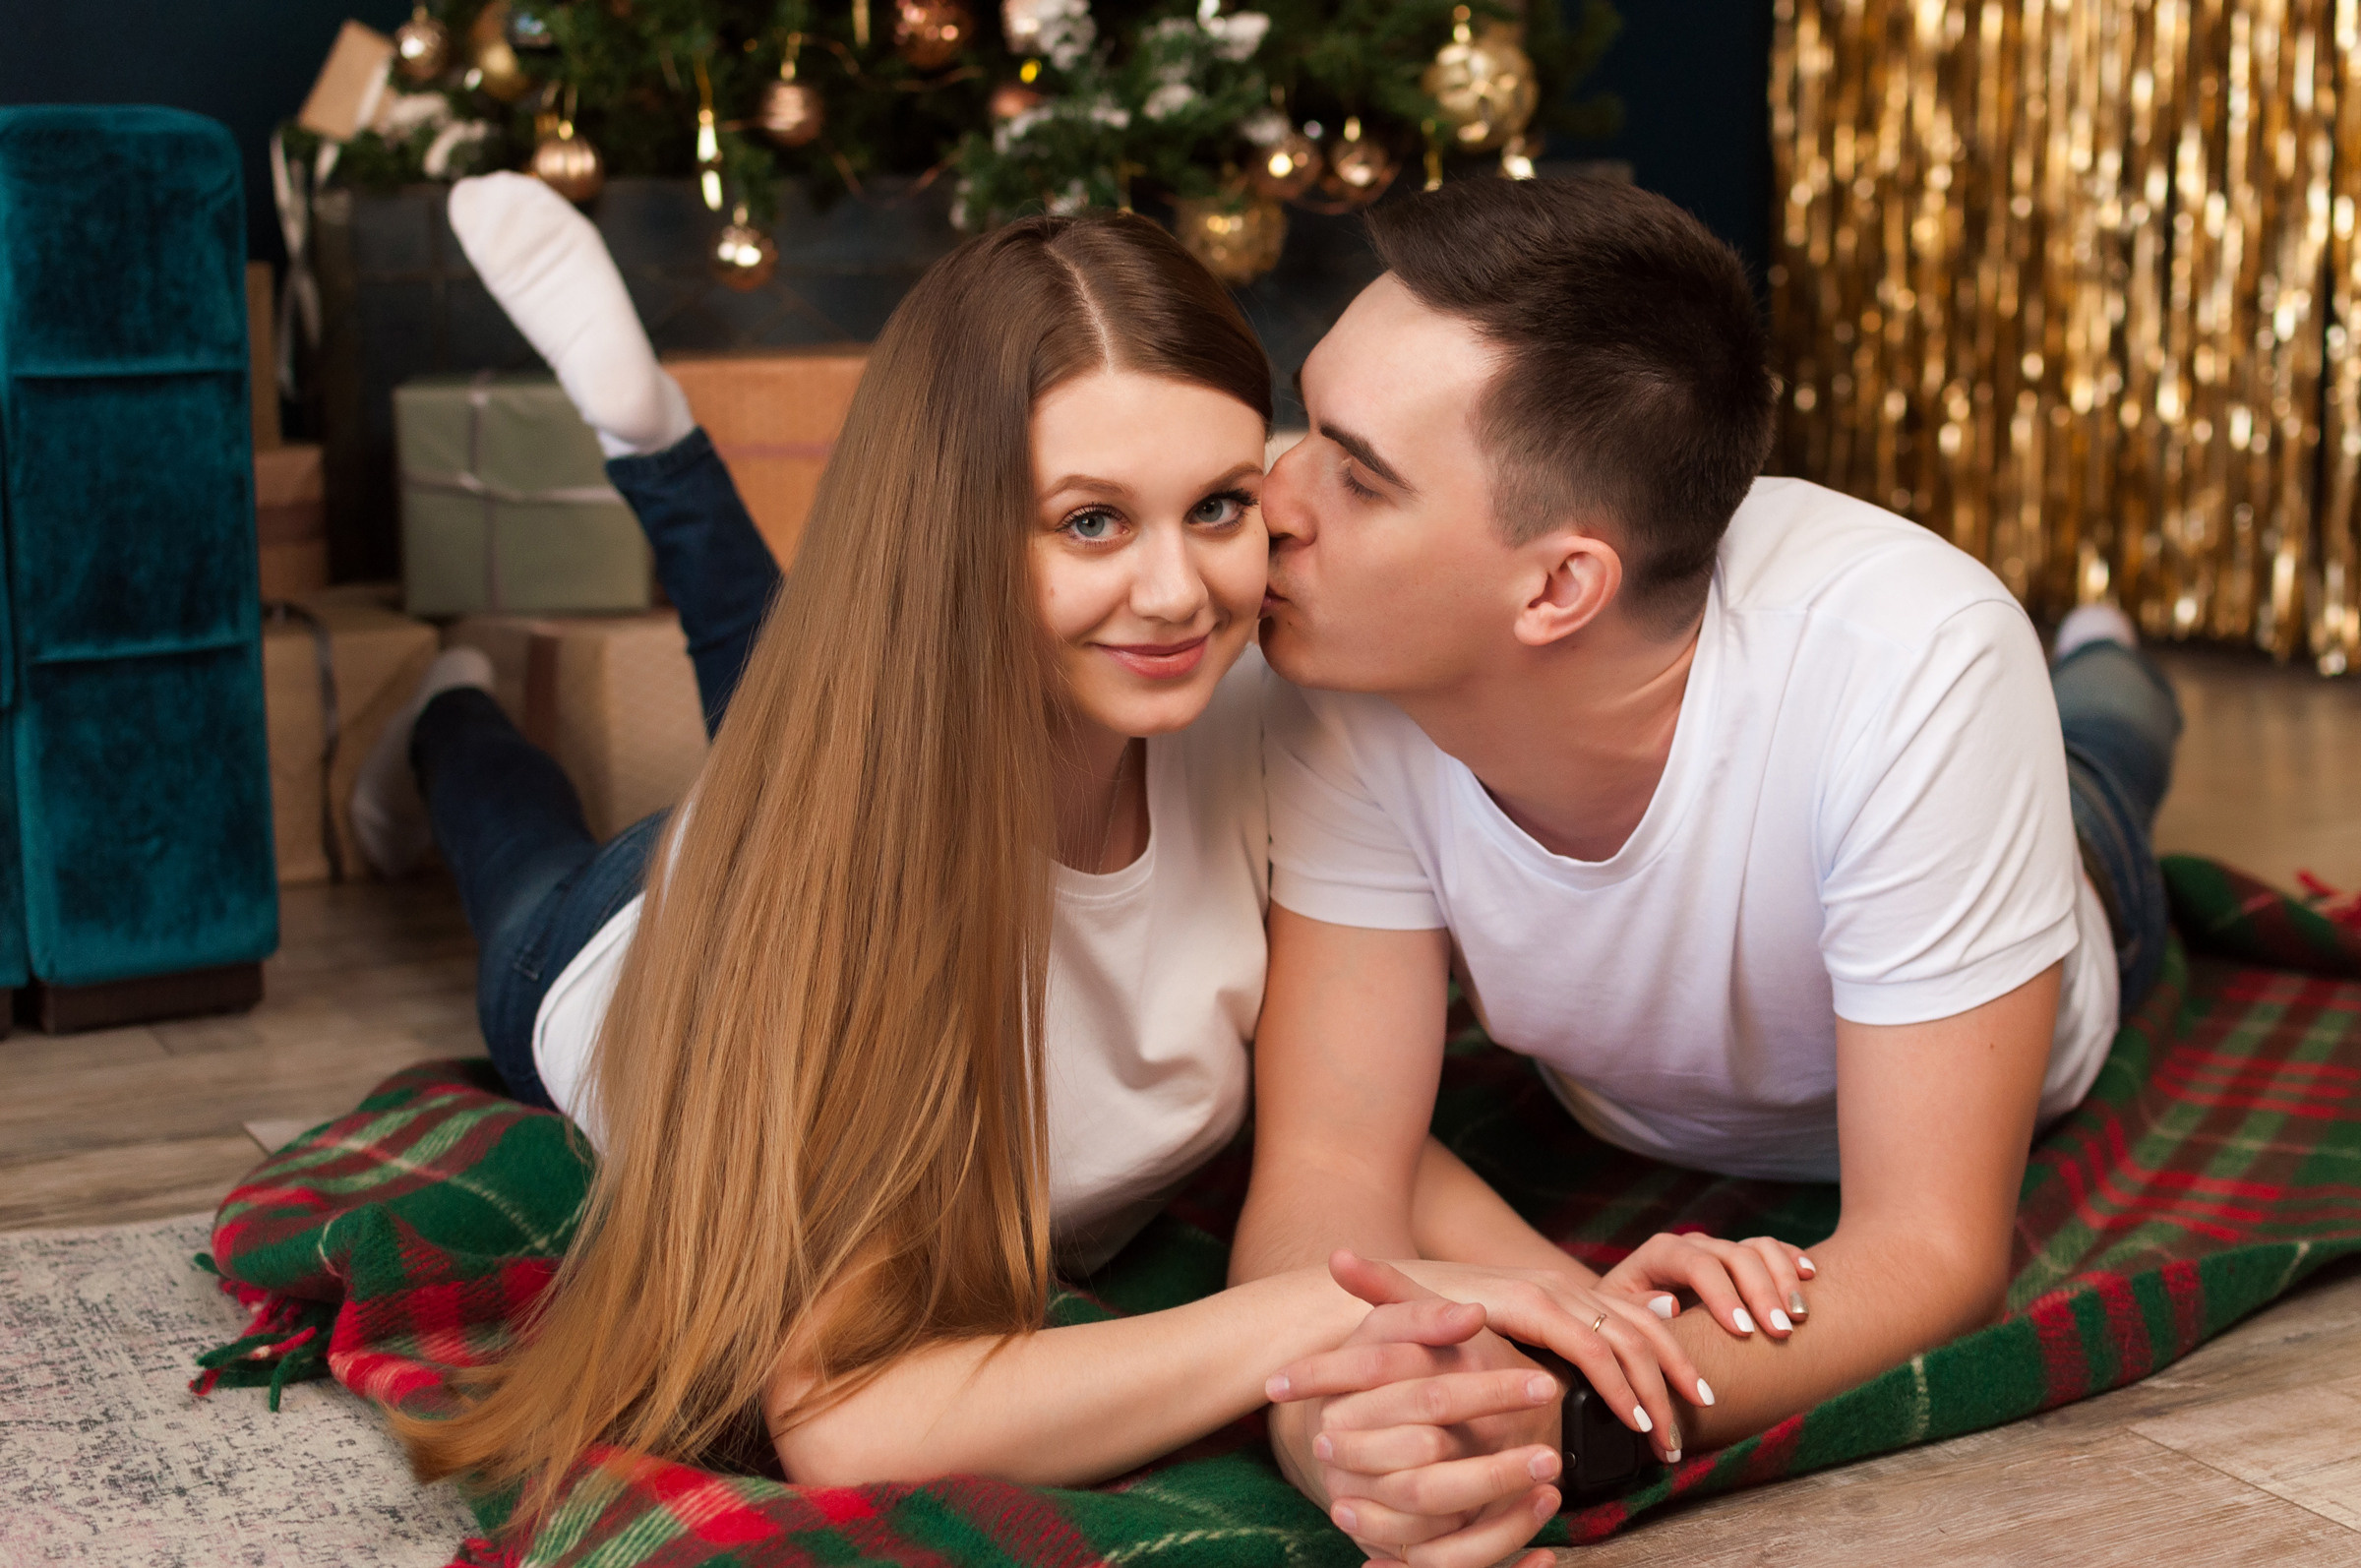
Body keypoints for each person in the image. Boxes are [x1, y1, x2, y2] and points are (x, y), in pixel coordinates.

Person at [358, 178, 1745, 1559]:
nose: (1176, 593)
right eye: (1091, 521)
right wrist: (1325, 1310)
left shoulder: (1257, 706)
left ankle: (646, 453)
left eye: (1216, 505)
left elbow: (1338, 1104)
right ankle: (447, 702)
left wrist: (1581, 1302)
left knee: (785, 674)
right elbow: (847, 1417)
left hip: (904, 750)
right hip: (615, 942)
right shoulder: (853, 886)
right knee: (525, 839)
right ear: (972, 529)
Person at [1229, 175, 2185, 1560]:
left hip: (2047, 937)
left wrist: (1560, 1415)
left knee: (2105, 750)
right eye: (1304, 422)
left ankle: (2106, 663)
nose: (1274, 498)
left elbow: (1926, 1249)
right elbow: (1325, 1158)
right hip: (1637, 1097)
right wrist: (1348, 1442)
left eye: (1355, 472)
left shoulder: (1913, 661)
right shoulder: (1341, 662)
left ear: (1560, 586)